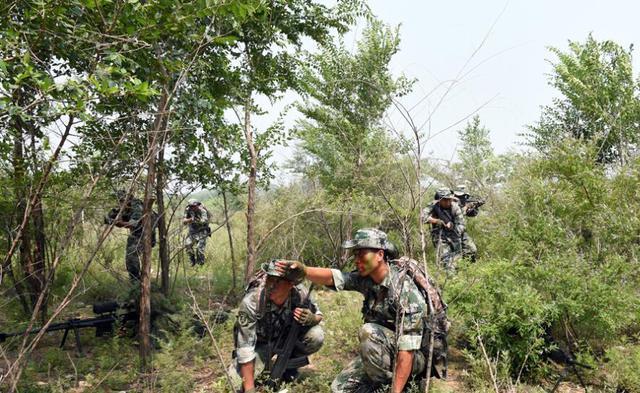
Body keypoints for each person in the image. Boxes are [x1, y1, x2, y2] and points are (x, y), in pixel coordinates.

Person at [277, 228, 434, 393]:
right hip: (384, 352)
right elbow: (334, 277)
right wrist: (305, 271)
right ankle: (380, 382)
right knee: (340, 388)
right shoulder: (367, 279)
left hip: (413, 358)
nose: (356, 260)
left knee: (369, 332)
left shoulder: (405, 292)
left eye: (362, 254)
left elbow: (407, 350)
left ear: (380, 255)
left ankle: (396, 386)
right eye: (355, 255)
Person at [228, 260, 324, 393]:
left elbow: (318, 315)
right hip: (259, 345)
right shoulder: (252, 302)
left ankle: (289, 369)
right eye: (269, 279)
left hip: (285, 341)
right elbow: (245, 348)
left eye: (278, 281)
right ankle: (267, 367)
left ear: (290, 284)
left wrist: (311, 319)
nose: (271, 285)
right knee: (236, 382)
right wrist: (250, 389)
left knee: (316, 336)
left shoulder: (300, 294)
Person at [104, 190, 156, 281]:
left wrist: (117, 222)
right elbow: (109, 217)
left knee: (132, 254)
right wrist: (113, 216)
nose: (119, 202)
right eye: (119, 201)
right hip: (136, 234)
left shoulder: (136, 206)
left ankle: (135, 281)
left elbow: (132, 224)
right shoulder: (124, 208)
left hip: (145, 235)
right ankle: (135, 280)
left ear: (128, 199)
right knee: (130, 254)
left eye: (121, 200)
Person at [424, 188, 466, 272]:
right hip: (440, 237)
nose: (448, 202)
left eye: (449, 199)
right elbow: (422, 217)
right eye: (445, 200)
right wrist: (436, 221)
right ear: (439, 200)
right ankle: (451, 281)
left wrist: (453, 227)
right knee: (446, 261)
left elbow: (461, 225)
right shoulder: (433, 206)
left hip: (454, 236)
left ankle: (459, 280)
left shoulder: (455, 207)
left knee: (458, 261)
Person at [452, 186, 480, 262]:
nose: (462, 198)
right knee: (455, 256)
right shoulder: (450, 203)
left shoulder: (462, 204)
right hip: (450, 233)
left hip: (461, 232)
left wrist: (475, 207)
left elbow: (471, 214)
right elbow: (456, 215)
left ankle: (468, 270)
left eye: (463, 196)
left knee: (472, 250)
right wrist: (467, 206)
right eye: (460, 196)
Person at [182, 198, 211, 266]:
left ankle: (201, 264)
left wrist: (195, 220)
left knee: (199, 249)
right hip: (192, 231)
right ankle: (192, 261)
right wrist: (190, 220)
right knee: (187, 245)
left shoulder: (202, 210)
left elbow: (204, 221)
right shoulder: (188, 210)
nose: (193, 208)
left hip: (202, 231)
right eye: (191, 206)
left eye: (194, 206)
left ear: (197, 205)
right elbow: (184, 221)